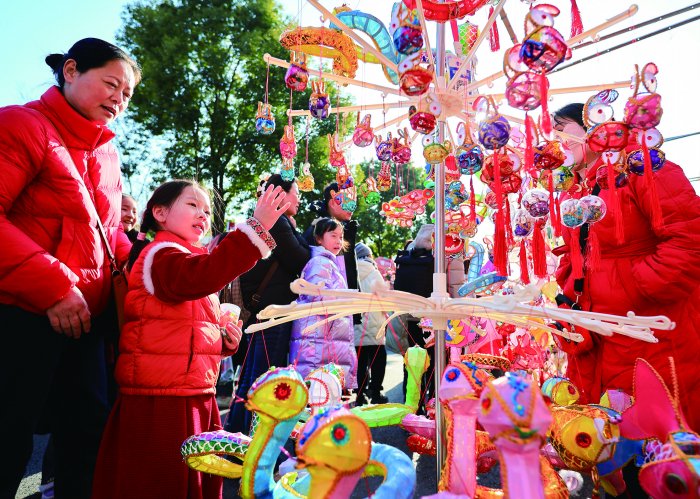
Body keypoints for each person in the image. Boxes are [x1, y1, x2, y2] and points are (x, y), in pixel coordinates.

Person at [0, 38, 140, 499]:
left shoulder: (107, 155)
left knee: (87, 439)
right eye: (112, 84)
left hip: (88, 323)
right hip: (22, 314)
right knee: (9, 438)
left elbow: (110, 237)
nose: (119, 99)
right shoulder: (22, 124)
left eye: (127, 94)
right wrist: (55, 287)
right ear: (72, 70)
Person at [90, 180, 289, 499]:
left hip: (191, 391)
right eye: (193, 205)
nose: (203, 214)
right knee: (163, 482)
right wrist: (256, 227)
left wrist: (225, 339)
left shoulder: (183, 259)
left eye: (208, 210)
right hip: (163, 398)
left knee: (190, 480)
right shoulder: (160, 255)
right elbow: (204, 275)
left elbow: (191, 326)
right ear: (160, 213)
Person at [552, 103, 700, 431]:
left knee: (654, 433)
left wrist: (636, 287)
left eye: (563, 127)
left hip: (649, 327)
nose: (557, 137)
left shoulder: (641, 165)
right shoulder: (580, 187)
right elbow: (576, 251)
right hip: (600, 328)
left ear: (594, 125)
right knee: (611, 431)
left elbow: (690, 236)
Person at [224, 174, 310, 434]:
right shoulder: (278, 222)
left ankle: (236, 435)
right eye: (297, 192)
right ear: (281, 194)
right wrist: (298, 232)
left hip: (265, 312)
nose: (299, 199)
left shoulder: (275, 221)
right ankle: (249, 440)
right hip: (273, 313)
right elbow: (300, 258)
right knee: (262, 378)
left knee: (252, 376)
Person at [290, 217, 357, 389]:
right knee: (319, 394)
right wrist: (347, 299)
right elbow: (318, 296)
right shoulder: (320, 262)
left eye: (341, 237)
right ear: (319, 238)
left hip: (324, 340)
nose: (338, 241)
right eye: (333, 236)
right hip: (318, 343)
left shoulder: (329, 262)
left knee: (323, 394)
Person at [393, 224, 435, 413]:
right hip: (432, 320)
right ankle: (432, 405)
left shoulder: (404, 261)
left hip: (409, 319)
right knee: (433, 364)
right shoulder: (434, 261)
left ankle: (412, 407)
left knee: (412, 365)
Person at [303, 182, 360, 319]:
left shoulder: (342, 228)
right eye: (348, 203)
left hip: (341, 308)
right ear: (333, 203)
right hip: (328, 312)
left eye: (354, 203)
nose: (352, 208)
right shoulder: (319, 229)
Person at [354, 242, 389, 406]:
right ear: (369, 256)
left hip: (356, 324)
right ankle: (376, 392)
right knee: (378, 359)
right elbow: (384, 298)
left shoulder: (349, 272)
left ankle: (359, 395)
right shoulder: (374, 273)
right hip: (376, 324)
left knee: (359, 361)